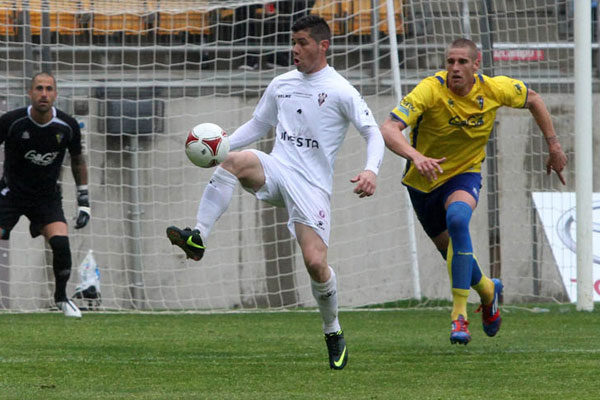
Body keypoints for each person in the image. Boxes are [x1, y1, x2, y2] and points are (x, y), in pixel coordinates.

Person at [167, 15, 384, 369]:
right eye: (293, 42)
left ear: (322, 46)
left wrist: (370, 170)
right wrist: (221, 147)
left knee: (316, 264)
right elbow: (259, 124)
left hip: (311, 187)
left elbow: (373, 133)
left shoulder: (341, 90)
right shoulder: (282, 84)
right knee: (232, 162)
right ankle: (198, 237)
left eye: (302, 43)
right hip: (277, 168)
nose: (294, 49)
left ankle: (332, 330)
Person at [380, 38, 567, 345]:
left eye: (462, 62)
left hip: (464, 175)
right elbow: (389, 128)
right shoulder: (429, 89)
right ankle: (489, 291)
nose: (454, 68)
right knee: (452, 255)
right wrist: (416, 157)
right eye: (450, 61)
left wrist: (554, 145)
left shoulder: (494, 89)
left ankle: (459, 316)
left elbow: (534, 98)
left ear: (476, 65)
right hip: (423, 180)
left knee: (457, 219)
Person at [0, 72, 91, 318]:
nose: (44, 94)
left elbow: (78, 160)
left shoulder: (68, 125)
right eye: (39, 88)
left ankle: (62, 298)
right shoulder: (11, 121)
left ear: (55, 94)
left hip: (46, 198)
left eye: (49, 89)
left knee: (61, 243)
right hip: (10, 194)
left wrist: (84, 201)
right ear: (30, 93)